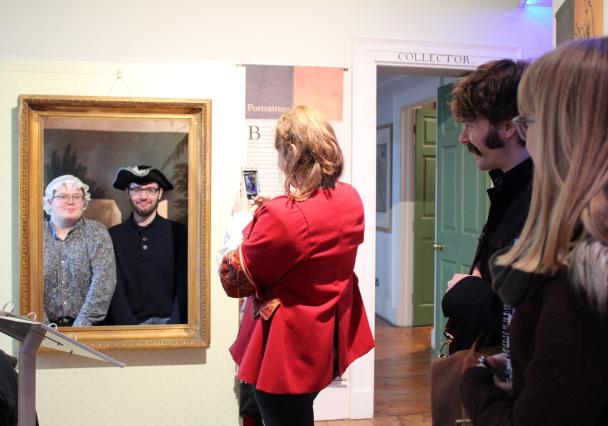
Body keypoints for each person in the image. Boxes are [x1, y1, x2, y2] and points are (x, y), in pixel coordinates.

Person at [461, 36, 608, 425]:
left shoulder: (581, 277)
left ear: (568, 130)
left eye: (528, 122)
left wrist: (475, 384)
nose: (526, 136)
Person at [218, 105, 375, 426]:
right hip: (325, 339)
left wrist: (241, 219)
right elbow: (310, 240)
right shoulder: (350, 198)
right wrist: (272, 212)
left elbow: (234, 278)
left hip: (286, 351)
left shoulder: (283, 215)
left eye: (280, 152)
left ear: (290, 151)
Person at [441, 59, 532, 354]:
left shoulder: (542, 198)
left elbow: (529, 316)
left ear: (507, 125)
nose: (463, 137)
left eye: (470, 124)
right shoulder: (509, 187)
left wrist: (464, 292)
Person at [106, 166, 187, 325]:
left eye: (150, 190)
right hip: (128, 326)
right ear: (127, 193)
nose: (143, 196)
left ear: (160, 193)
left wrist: (175, 325)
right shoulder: (112, 236)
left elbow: (184, 284)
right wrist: (128, 329)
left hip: (170, 324)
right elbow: (114, 288)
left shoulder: (178, 233)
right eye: (136, 189)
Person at [43, 175, 116, 326]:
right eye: (63, 196)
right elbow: (26, 284)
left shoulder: (97, 232)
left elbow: (104, 282)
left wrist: (80, 328)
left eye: (77, 197)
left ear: (84, 203)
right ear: (49, 202)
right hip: (40, 329)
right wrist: (43, 328)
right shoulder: (34, 234)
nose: (70, 201)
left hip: (87, 330)